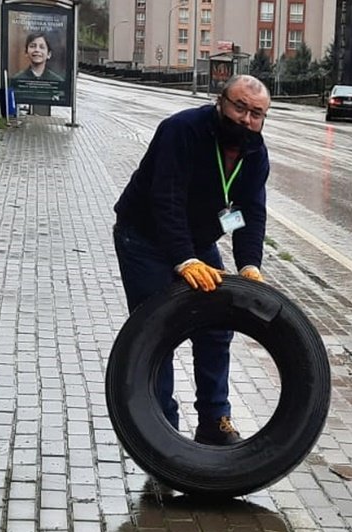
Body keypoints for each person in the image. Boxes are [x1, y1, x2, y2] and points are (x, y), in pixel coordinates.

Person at [112, 74, 271, 446]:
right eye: (239, 107)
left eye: (257, 114)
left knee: (216, 325)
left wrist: (249, 265)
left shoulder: (255, 153)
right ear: (220, 102)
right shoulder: (181, 130)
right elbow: (165, 198)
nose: (246, 119)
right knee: (159, 329)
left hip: (198, 241)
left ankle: (214, 421)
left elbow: (251, 212)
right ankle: (162, 431)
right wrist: (183, 260)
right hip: (144, 237)